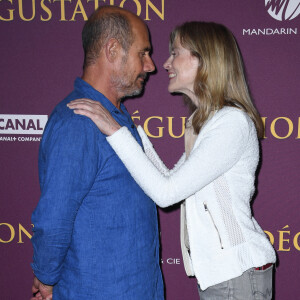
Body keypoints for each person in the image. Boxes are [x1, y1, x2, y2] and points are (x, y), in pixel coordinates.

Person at [68, 22, 277, 299]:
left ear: (204, 60)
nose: (165, 64)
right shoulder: (209, 123)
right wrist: (130, 130)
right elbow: (168, 183)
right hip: (227, 275)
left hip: (236, 273)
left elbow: (166, 194)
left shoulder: (231, 123)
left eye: (175, 53)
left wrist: (116, 131)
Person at [30, 6, 164, 300]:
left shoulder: (115, 119)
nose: (151, 65)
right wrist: (46, 277)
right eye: (142, 53)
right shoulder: (78, 121)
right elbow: (54, 218)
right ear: (113, 50)